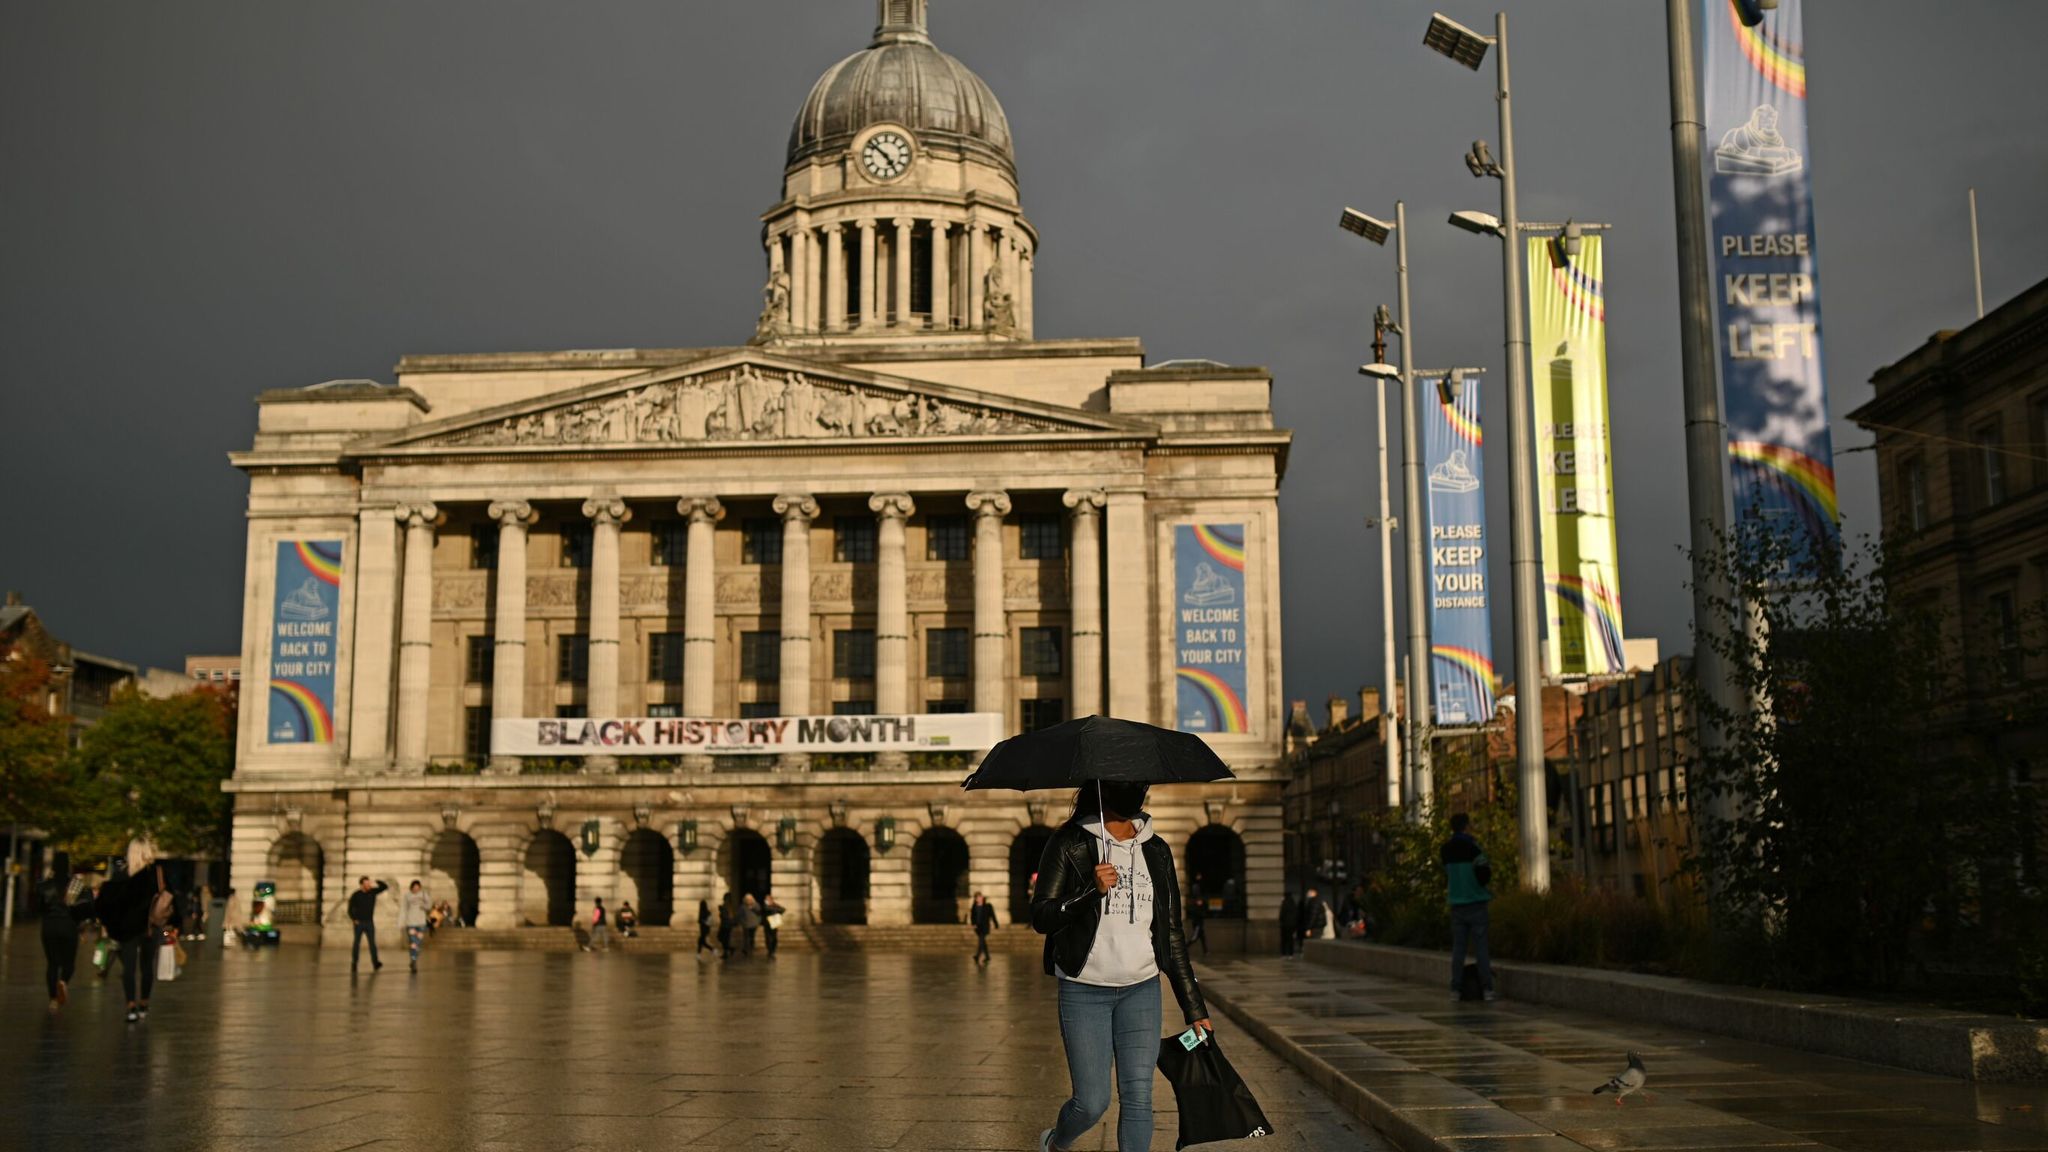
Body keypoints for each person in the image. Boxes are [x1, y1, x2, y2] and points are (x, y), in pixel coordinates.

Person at [1030, 781, 1210, 1152]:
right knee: (1091, 1102)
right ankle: (1055, 1143)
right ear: (1102, 787)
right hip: (1084, 988)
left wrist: (1195, 1008)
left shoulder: (1157, 850)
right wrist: (1088, 891)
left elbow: (1171, 932)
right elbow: (1042, 916)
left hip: (1141, 988)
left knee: (1139, 1097)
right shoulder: (1069, 842)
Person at [94, 844, 174, 1022]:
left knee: (128, 969)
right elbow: (170, 898)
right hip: (150, 927)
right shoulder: (157, 874)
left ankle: (130, 1006)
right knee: (147, 967)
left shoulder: (121, 875)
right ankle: (144, 1004)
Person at [1441, 812, 1495, 1001]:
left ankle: (1455, 989)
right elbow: (1484, 873)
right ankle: (1487, 989)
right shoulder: (1473, 847)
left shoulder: (1445, 850)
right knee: (1481, 949)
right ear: (1466, 826)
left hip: (1456, 903)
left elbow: (1446, 874)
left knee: (1458, 949)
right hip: (1476, 902)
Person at [37, 868, 97, 1011]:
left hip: (49, 927)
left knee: (52, 964)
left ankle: (52, 1000)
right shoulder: (75, 884)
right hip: (68, 927)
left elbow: (39, 908)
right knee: (69, 963)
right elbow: (86, 908)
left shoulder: (45, 885)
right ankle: (63, 981)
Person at [348, 876, 388, 971]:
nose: (369, 885)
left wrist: (376, 880)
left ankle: (375, 963)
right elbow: (350, 908)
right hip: (359, 923)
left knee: (372, 943)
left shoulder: (372, 892)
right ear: (362, 885)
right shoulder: (356, 895)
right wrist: (354, 919)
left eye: (369, 883)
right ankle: (354, 963)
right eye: (366, 884)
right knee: (356, 943)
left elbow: (385, 887)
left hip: (369, 922)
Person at [402, 880, 430, 972]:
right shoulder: (407, 896)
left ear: (420, 887)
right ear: (411, 887)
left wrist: (423, 905)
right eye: (414, 887)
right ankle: (414, 961)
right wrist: (402, 921)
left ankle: (413, 959)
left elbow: (429, 906)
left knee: (418, 943)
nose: (416, 889)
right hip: (411, 923)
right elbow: (404, 909)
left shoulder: (423, 895)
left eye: (417, 887)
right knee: (413, 943)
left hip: (421, 923)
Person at [969, 891, 997, 964]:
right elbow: (972, 916)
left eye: (980, 897)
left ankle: (977, 955)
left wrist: (995, 923)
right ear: (975, 899)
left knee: (981, 940)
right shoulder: (974, 906)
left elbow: (992, 915)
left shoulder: (988, 906)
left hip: (985, 926)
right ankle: (987, 956)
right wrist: (973, 924)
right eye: (977, 897)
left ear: (982, 897)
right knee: (983, 942)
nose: (979, 899)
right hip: (977, 927)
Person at [1185, 884, 1208, 957]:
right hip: (1197, 922)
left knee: (1202, 937)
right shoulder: (1196, 899)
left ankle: (1206, 951)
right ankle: (1185, 948)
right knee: (1195, 937)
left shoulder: (1195, 899)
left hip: (1198, 922)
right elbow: (1197, 911)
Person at [761, 893, 785, 958]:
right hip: (767, 923)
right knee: (768, 937)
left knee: (774, 937)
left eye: (768, 899)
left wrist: (774, 908)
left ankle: (773, 949)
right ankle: (770, 950)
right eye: (766, 899)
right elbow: (766, 909)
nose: (767, 900)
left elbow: (782, 909)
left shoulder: (775, 905)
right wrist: (774, 909)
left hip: (774, 922)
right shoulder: (765, 905)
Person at [738, 894, 761, 958]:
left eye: (750, 899)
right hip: (746, 924)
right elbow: (740, 915)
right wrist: (742, 922)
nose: (749, 900)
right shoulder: (742, 906)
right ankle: (746, 949)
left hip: (753, 924)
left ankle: (751, 948)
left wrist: (758, 922)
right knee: (746, 937)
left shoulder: (756, 905)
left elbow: (759, 913)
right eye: (747, 899)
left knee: (752, 937)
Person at [1278, 888, 1299, 958]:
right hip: (1292, 925)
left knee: (1284, 939)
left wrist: (1281, 921)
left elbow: (1281, 914)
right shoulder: (1293, 904)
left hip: (1285, 924)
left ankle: (1284, 953)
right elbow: (1296, 915)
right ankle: (1291, 954)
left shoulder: (1284, 903)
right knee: (1290, 939)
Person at [716, 895, 736, 960]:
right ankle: (729, 950)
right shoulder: (729, 906)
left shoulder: (726, 906)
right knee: (724, 939)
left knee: (723, 938)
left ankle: (727, 951)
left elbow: (725, 916)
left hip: (725, 925)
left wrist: (721, 910)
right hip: (727, 925)